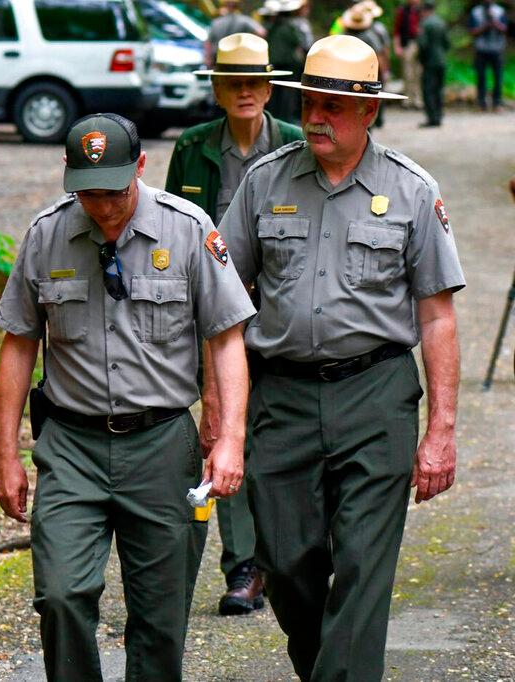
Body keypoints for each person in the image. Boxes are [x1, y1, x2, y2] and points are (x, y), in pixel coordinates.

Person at [216, 35, 465, 680]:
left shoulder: (411, 191)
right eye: (309, 103)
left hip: (376, 395)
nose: (316, 117)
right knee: (287, 559)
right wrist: (221, 411)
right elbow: (222, 302)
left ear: (368, 112)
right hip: (283, 396)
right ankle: (328, 667)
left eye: (332, 105)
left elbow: (437, 315)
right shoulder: (262, 183)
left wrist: (441, 431)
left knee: (362, 562)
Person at [0, 113, 255, 680]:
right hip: (70, 447)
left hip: (162, 444)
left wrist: (230, 437)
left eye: (115, 190)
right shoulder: (47, 233)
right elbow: (17, 344)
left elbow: (228, 336)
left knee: (160, 619)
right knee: (60, 596)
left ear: (140, 167)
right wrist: (6, 453)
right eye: (88, 192)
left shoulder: (187, 229)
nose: (104, 206)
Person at [165, 33, 304, 617]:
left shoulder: (295, 143)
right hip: (212, 317)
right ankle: (243, 566)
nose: (245, 92)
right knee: (224, 430)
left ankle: (290, 556)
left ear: (269, 87)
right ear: (217, 89)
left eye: (254, 81)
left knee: (282, 437)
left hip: (280, 314)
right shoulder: (194, 147)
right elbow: (169, 231)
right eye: (233, 82)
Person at [266, 0, 308, 123]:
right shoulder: (291, 26)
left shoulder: (271, 26)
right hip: (289, 65)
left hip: (274, 63)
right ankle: (286, 119)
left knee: (274, 93)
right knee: (288, 94)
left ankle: (273, 118)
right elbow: (298, 41)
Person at [468, 0, 508, 110]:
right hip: (481, 49)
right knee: (481, 77)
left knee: (498, 77)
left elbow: (505, 29)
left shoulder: (500, 11)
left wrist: (494, 22)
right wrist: (485, 26)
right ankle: (481, 103)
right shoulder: (475, 12)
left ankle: (497, 103)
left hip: (497, 49)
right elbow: (471, 31)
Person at [417, 0, 451, 127]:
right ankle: (439, 116)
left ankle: (432, 118)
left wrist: (421, 60)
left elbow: (422, 45)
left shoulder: (424, 24)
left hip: (430, 62)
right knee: (439, 89)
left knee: (428, 90)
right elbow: (447, 43)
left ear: (424, 10)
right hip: (441, 61)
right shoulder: (441, 23)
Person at [206, 0, 267, 68]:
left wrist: (208, 59)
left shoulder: (216, 22)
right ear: (238, 6)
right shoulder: (244, 20)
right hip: (238, 60)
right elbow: (261, 32)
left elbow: (208, 42)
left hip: (219, 59)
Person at [394, 0, 425, 108]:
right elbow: (397, 30)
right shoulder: (403, 11)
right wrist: (397, 46)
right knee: (408, 73)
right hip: (407, 44)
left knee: (419, 73)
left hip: (420, 44)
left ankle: (418, 100)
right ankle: (408, 100)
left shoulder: (422, 10)